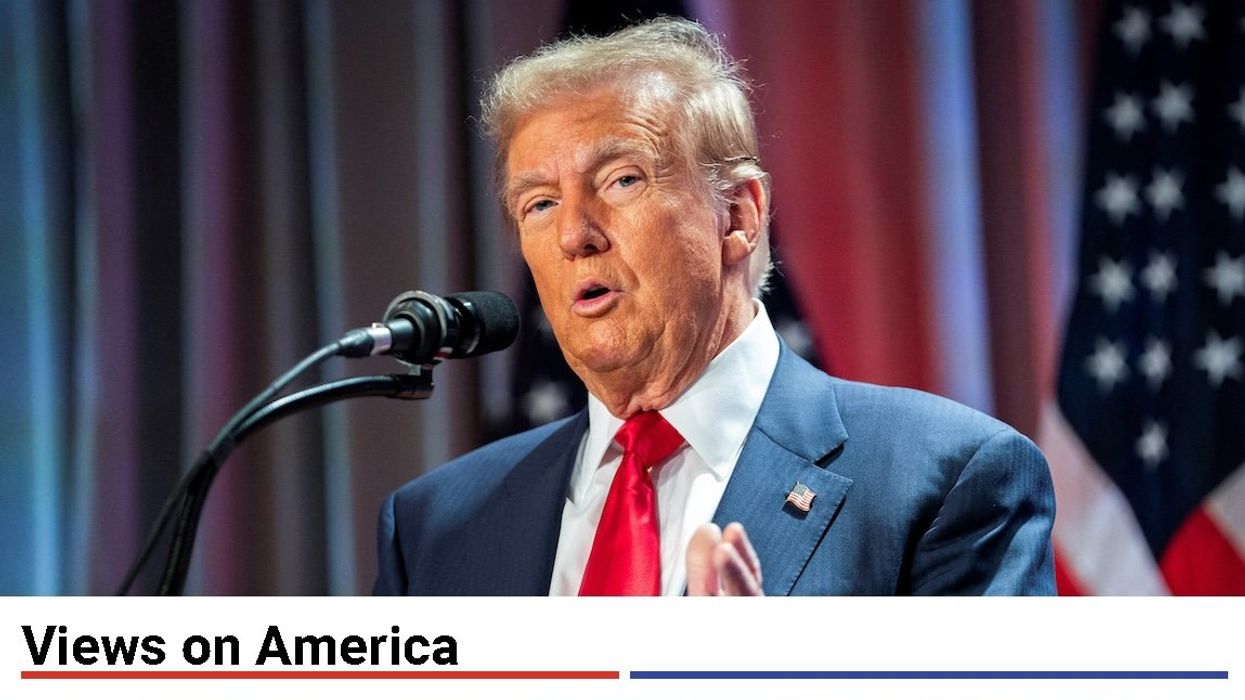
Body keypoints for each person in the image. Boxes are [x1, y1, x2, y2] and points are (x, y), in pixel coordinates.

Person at [374, 18, 1055, 596]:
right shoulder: (435, 528)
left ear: (738, 214)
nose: (574, 234)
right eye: (540, 203)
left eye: (622, 180)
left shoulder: (945, 479)